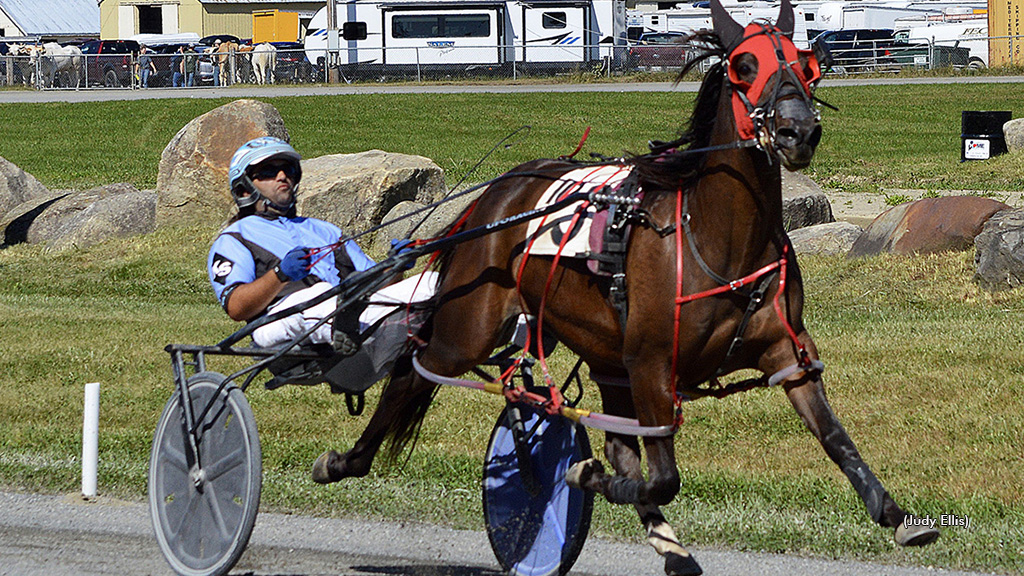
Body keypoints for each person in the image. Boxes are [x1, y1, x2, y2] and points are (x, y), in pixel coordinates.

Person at [207, 137, 434, 368]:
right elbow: (236, 306)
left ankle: (414, 327)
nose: (283, 176)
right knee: (322, 293)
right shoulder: (235, 237)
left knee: (432, 282)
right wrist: (280, 274)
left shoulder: (326, 231)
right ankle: (377, 326)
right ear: (244, 189)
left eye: (289, 169)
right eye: (268, 171)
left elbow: (376, 286)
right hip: (275, 322)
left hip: (343, 305)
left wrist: (394, 266)